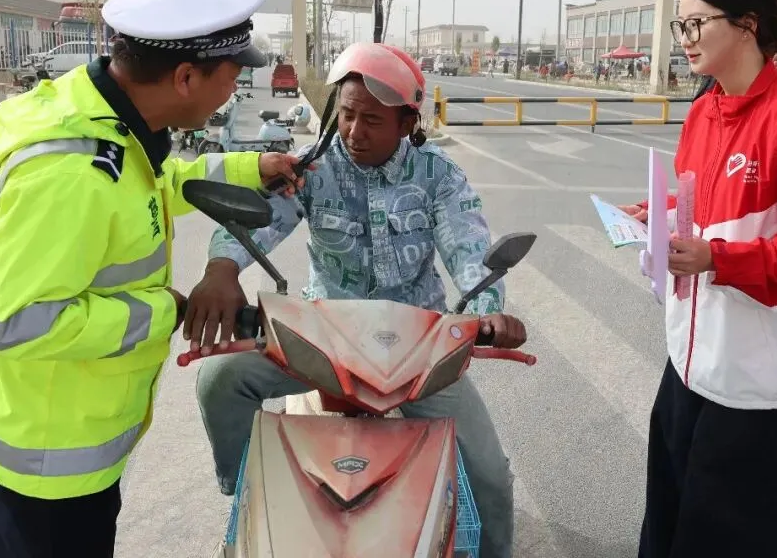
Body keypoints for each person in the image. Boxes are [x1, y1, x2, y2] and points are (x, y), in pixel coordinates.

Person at [0, 0, 307, 558]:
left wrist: (254, 167)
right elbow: (14, 321)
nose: (234, 91)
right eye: (232, 76)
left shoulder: (111, 126)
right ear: (186, 76)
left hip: (75, 438)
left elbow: (157, 183)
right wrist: (162, 310)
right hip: (44, 462)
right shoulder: (68, 176)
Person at [188, 41, 527, 558]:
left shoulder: (438, 177)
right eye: (346, 115)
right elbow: (263, 220)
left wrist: (486, 312)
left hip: (416, 349)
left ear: (408, 123)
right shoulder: (311, 168)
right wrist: (221, 268)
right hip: (322, 342)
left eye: (372, 119)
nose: (354, 131)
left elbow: (470, 247)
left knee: (488, 476)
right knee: (219, 380)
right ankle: (249, 489)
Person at [623, 0, 777, 557]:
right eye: (681, 27)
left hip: (760, 389)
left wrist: (716, 259)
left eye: (697, 24)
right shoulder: (704, 110)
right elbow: (708, 205)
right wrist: (664, 214)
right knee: (670, 527)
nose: (685, 41)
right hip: (690, 365)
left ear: (749, 24)